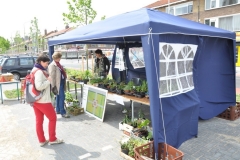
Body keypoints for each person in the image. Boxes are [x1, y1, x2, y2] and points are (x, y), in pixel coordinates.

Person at [32, 54, 64, 147]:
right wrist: (48, 81)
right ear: (41, 62)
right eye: (46, 63)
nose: (47, 65)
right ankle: (52, 139)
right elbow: (39, 86)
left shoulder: (34, 69)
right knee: (53, 118)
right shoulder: (39, 72)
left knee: (39, 120)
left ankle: (42, 140)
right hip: (43, 100)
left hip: (36, 100)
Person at [48, 51, 70, 118]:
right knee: (62, 97)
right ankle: (62, 112)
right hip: (58, 84)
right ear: (56, 57)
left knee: (58, 97)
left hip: (61, 82)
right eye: (59, 57)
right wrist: (53, 86)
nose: (60, 59)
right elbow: (52, 76)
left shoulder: (58, 64)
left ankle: (58, 110)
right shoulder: (52, 65)